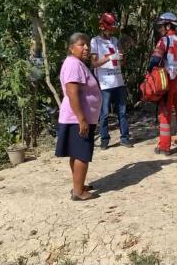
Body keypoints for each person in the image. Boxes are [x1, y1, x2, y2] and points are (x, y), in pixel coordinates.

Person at [55, 33, 102, 201]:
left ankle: (78, 185)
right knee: (82, 154)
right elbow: (72, 92)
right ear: (71, 48)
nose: (86, 48)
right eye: (82, 45)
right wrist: (81, 118)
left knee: (76, 153)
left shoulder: (76, 63)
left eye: (87, 44)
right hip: (77, 118)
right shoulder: (73, 64)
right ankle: (78, 192)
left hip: (77, 117)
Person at [147, 12, 177, 155]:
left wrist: (149, 73)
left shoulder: (164, 41)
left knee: (165, 113)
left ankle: (164, 147)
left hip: (168, 82)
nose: (160, 29)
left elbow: (155, 60)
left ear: (168, 26)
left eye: (161, 26)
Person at [90, 12, 132, 150]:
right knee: (104, 114)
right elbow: (94, 63)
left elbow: (123, 62)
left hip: (118, 81)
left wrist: (122, 57)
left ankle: (125, 138)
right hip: (104, 83)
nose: (111, 32)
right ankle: (104, 139)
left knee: (123, 111)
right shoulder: (95, 41)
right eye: (109, 28)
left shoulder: (115, 41)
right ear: (102, 27)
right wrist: (110, 57)